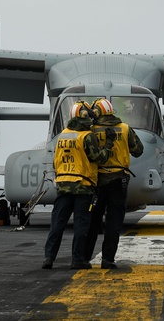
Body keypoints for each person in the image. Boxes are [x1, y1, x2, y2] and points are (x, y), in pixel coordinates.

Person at [42, 101, 115, 270]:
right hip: (83, 186)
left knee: (57, 224)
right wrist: (109, 144)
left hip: (63, 185)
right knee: (81, 225)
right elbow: (100, 157)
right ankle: (78, 260)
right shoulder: (87, 136)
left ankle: (49, 257)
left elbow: (56, 162)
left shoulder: (63, 135)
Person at [84, 98, 144, 269]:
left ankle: (85, 257)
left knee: (93, 221)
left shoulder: (91, 131)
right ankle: (108, 259)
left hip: (96, 181)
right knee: (114, 221)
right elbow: (138, 151)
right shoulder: (125, 128)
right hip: (119, 180)